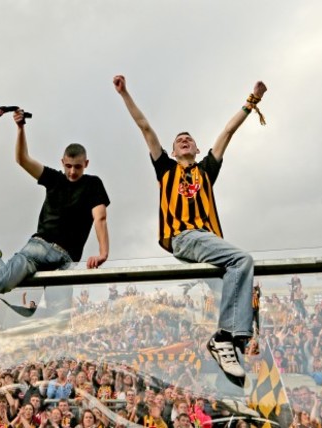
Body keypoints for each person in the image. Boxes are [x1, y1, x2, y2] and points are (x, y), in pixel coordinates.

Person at [113, 75, 266, 384]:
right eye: (178, 140)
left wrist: (253, 101)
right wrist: (125, 93)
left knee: (236, 290)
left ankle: (233, 346)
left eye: (189, 139)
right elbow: (145, 127)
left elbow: (227, 131)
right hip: (184, 237)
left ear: (197, 149)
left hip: (208, 243)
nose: (184, 140)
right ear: (171, 151)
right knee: (242, 260)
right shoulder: (166, 169)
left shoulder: (206, 169)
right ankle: (225, 337)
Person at [0, 109, 111, 309]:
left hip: (66, 261)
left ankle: (26, 302)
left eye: (77, 167)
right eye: (68, 166)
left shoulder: (93, 184)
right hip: (39, 248)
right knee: (1, 283)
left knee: (58, 316)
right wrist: (20, 128)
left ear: (86, 164)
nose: (72, 172)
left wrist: (103, 252)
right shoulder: (54, 178)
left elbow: (100, 217)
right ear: (62, 162)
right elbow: (22, 159)